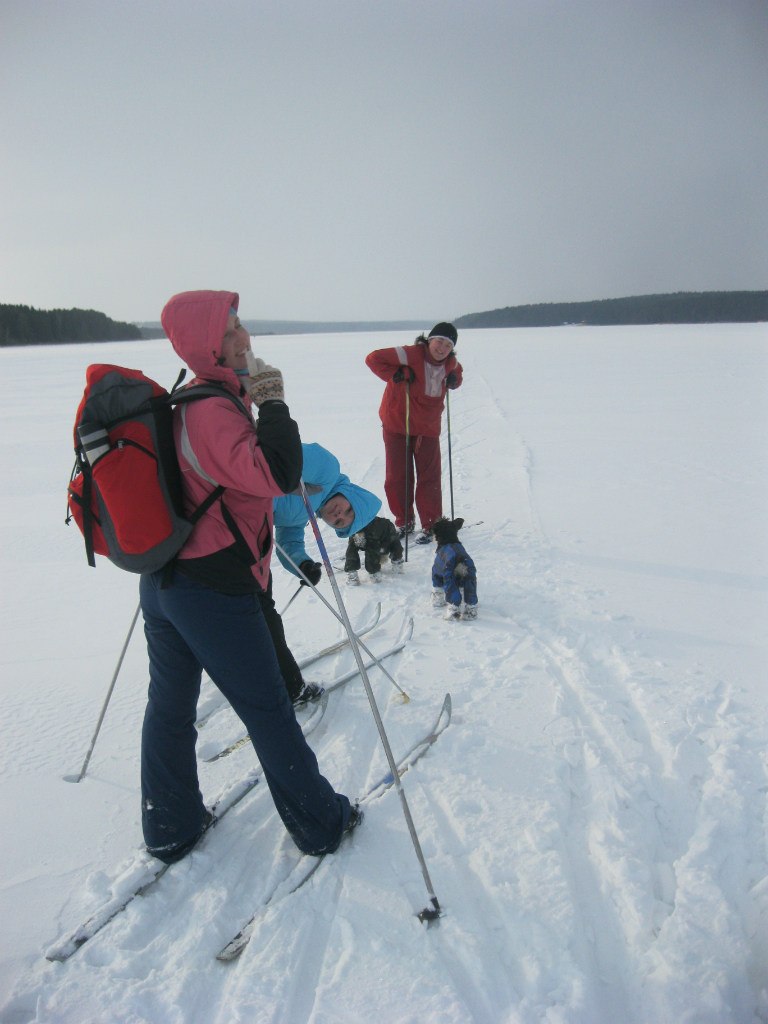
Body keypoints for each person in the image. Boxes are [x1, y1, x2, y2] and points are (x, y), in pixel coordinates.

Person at [139, 289, 359, 865]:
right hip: (211, 589)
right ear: (206, 346)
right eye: (230, 332)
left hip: (169, 583)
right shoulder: (212, 409)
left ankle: (172, 825)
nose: (244, 339)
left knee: (169, 708)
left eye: (241, 326)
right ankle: (320, 825)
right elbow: (278, 473)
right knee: (268, 710)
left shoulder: (193, 399)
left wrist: (256, 400)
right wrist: (276, 404)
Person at [259, 443, 382, 709]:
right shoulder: (327, 469)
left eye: (340, 522)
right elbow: (284, 450)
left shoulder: (306, 513)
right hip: (238, 491)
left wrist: (302, 564)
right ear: (350, 493)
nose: (339, 514)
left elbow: (289, 538)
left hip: (242, 527)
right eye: (348, 509)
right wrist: (273, 485)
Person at [365, 322, 463, 544]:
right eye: (439, 341)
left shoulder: (451, 364)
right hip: (397, 423)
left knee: (430, 477)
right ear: (429, 340)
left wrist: (455, 381)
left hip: (427, 428)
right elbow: (373, 358)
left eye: (448, 345)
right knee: (398, 475)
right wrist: (396, 372)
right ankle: (404, 521)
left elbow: (457, 372)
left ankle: (432, 524)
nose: (442, 348)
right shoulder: (409, 354)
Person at [343, 515, 404, 585]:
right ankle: (375, 574)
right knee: (370, 546)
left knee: (356, 546)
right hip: (364, 527)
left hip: (357, 526)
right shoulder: (384, 525)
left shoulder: (384, 526)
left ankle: (353, 574)